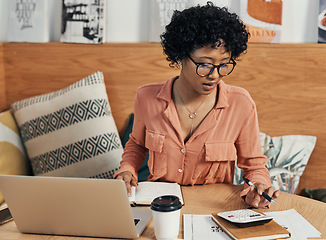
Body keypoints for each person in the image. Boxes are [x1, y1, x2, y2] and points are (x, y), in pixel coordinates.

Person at [114, 2, 280, 208]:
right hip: (160, 207)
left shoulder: (241, 104)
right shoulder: (146, 97)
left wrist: (259, 186)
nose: (214, 75)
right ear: (181, 56)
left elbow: (254, 166)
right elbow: (137, 145)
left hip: (215, 211)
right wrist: (127, 169)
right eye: (205, 64)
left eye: (224, 65)